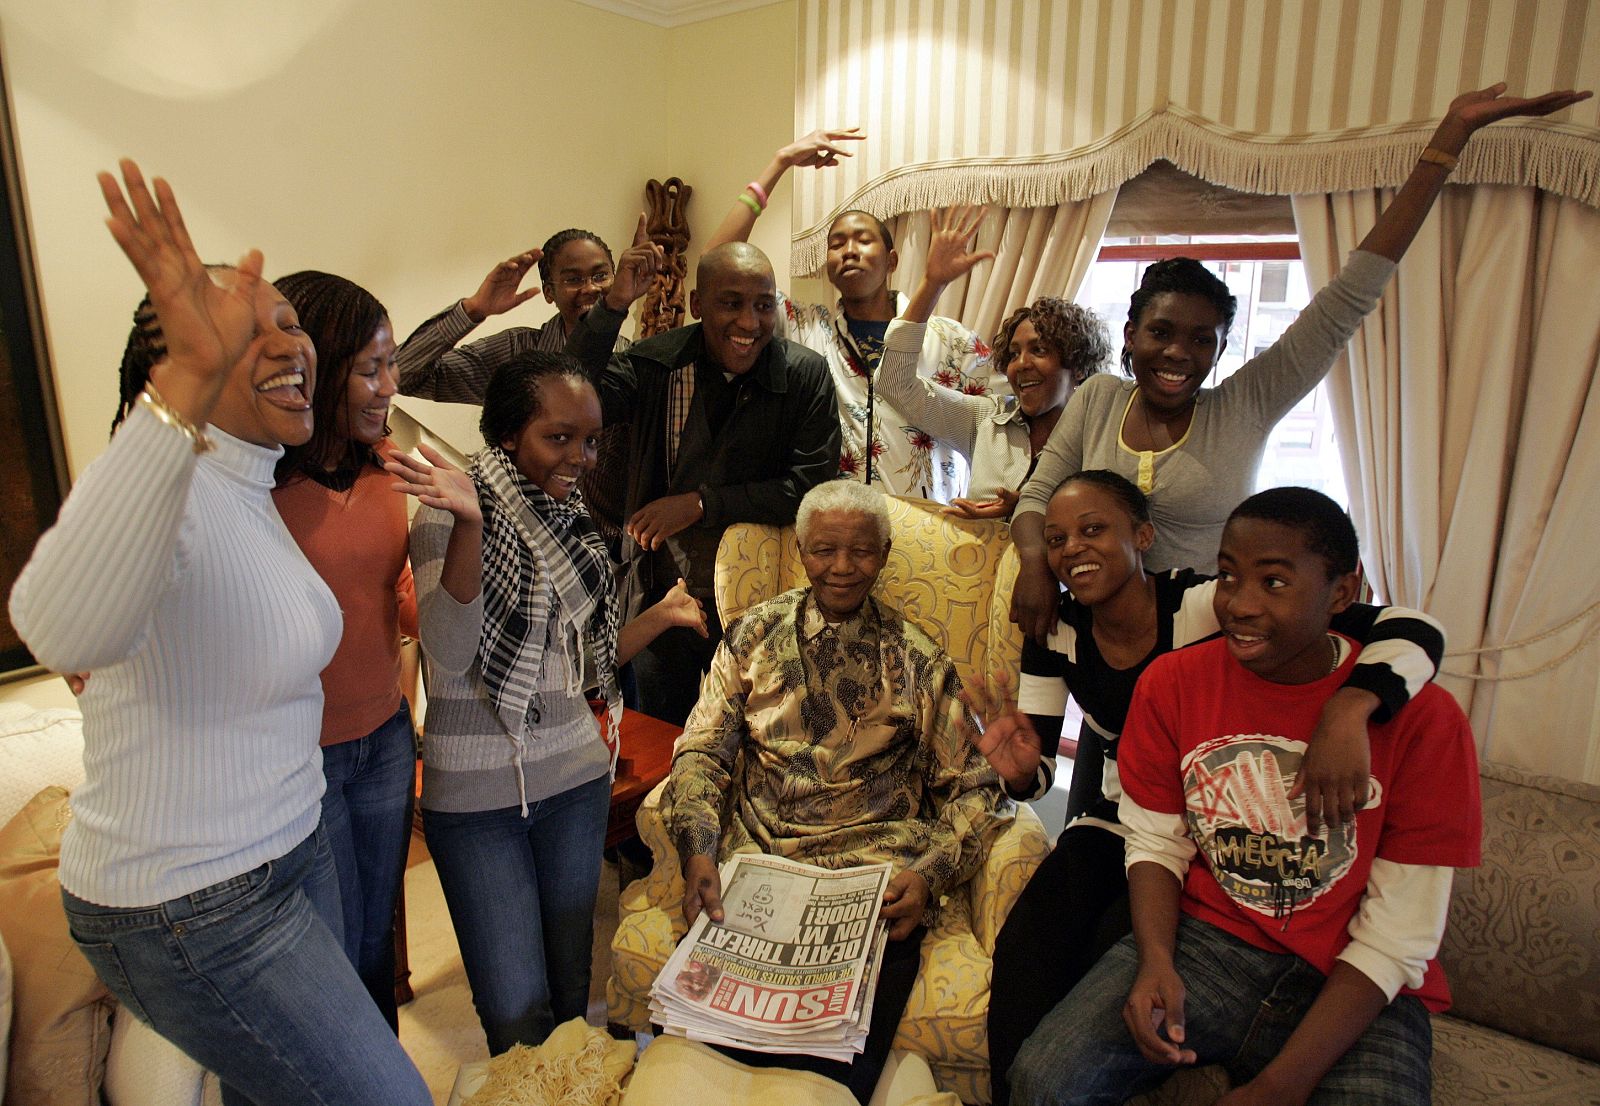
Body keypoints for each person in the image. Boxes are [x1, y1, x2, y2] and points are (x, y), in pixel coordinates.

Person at [9, 162, 430, 1105]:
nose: (291, 344)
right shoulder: (175, 481)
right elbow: (57, 625)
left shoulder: (250, 483)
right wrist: (184, 387)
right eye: (250, 330)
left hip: (289, 847)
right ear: (183, 363)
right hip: (190, 899)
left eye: (292, 324)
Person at [1009, 83, 1593, 640]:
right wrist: (1035, 563)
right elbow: (1038, 497)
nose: (1179, 353)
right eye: (1160, 333)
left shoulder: (1244, 404)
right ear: (1131, 335)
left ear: (1220, 349)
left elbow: (1349, 298)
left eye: (1202, 340)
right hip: (1105, 635)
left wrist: (1448, 142)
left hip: (1208, 638)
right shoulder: (1099, 398)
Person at [964, 471, 1446, 1106]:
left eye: (1094, 529)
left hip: (1212, 835)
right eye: (1056, 539)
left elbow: (1409, 626)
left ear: (1143, 536)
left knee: (1112, 936)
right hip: (1135, 812)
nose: (1073, 548)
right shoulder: (1058, 630)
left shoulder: (1200, 606)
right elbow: (1052, 775)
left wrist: (1352, 705)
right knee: (1035, 938)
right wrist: (1023, 772)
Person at [388, 350, 707, 1054]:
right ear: (509, 434)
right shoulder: (447, 508)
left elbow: (583, 667)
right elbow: (447, 653)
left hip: (574, 779)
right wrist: (471, 526)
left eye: (590, 440)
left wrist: (660, 615)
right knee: (514, 1012)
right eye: (558, 438)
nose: (580, 458)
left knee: (569, 997)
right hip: (477, 800)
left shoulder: (572, 522)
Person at [659, 478, 1013, 1102]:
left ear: (885, 553)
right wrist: (698, 851)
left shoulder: (917, 660)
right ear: (801, 551)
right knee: (698, 1064)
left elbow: (978, 790)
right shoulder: (753, 636)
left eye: (861, 551)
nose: (842, 567)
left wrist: (928, 875)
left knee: (824, 1080)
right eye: (824, 550)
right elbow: (701, 751)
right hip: (756, 866)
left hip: (871, 884)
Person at [565, 238, 841, 725]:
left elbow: (810, 489)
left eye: (764, 305)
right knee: (660, 738)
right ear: (697, 304)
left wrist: (701, 503)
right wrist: (613, 306)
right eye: (731, 304)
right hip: (663, 598)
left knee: (760, 741)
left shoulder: (805, 375)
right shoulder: (655, 364)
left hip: (766, 603)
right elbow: (572, 400)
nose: (749, 323)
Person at [269, 269, 418, 1031]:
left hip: (386, 739)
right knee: (327, 949)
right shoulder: (255, 487)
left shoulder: (388, 466)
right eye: (370, 369)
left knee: (372, 944)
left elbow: (397, 596)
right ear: (319, 370)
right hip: (301, 756)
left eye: (390, 366)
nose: (389, 387)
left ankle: (384, 1074)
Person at [706, 129, 993, 500]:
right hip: (832, 524)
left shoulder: (952, 342)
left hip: (928, 524)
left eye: (863, 240)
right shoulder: (805, 328)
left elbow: (1002, 428)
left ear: (891, 260)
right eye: (837, 244)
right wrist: (780, 163)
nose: (849, 251)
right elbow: (715, 268)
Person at [395, 226, 634, 540]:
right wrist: (473, 309)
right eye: (573, 279)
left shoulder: (632, 361)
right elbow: (400, 375)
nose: (590, 288)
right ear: (549, 292)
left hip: (598, 546)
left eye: (600, 276)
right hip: (513, 535)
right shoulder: (516, 352)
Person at [876, 206, 1111, 519]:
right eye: (1013, 354)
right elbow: (895, 385)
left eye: (1039, 350)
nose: (1021, 364)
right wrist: (932, 284)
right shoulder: (986, 420)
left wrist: (1029, 506)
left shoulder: (1100, 433)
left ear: (1078, 365)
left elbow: (1114, 513)